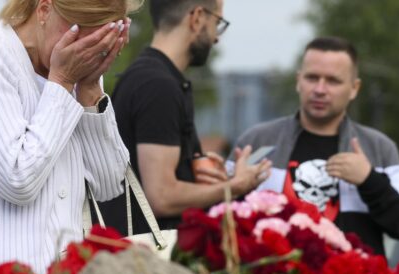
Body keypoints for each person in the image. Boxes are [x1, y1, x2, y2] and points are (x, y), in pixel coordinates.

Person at [0, 0, 140, 274]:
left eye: (99, 39)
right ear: (44, 9)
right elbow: (17, 180)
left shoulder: (75, 69)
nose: (85, 48)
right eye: (78, 30)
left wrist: (90, 88)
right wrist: (62, 82)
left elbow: (109, 185)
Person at [235, 36, 399, 256]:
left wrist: (369, 181)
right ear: (298, 81)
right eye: (312, 78)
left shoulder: (379, 148)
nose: (320, 89)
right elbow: (218, 218)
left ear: (354, 88)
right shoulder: (257, 142)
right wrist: (234, 189)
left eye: (333, 81)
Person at [99, 0, 271, 234]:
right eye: (217, 23)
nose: (216, 37)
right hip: (146, 258)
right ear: (197, 17)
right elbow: (162, 196)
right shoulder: (158, 86)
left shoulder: (151, 78)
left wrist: (194, 171)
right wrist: (235, 186)